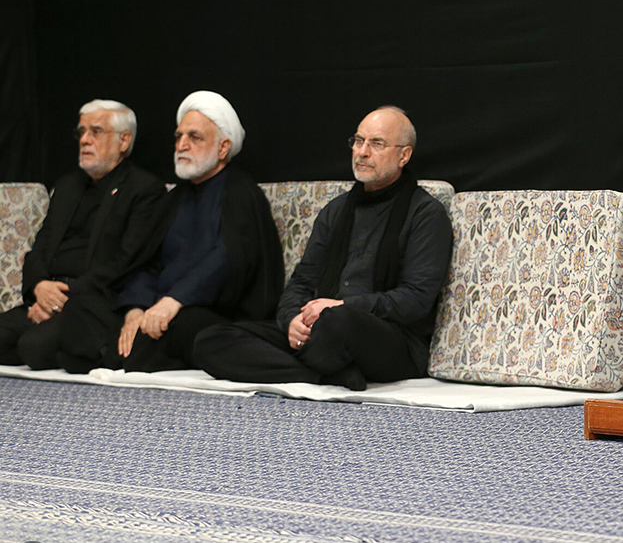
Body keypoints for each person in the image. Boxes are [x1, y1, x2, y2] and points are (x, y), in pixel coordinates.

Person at [193, 106, 453, 390]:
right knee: (210, 340)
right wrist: (292, 321)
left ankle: (308, 362)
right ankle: (324, 374)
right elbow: (302, 281)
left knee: (339, 323)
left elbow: (415, 299)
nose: (362, 152)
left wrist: (342, 306)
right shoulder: (336, 210)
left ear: (404, 155)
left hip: (386, 337)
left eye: (377, 143)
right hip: (320, 330)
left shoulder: (425, 214)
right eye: (358, 141)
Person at [103, 90, 283, 372]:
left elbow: (228, 260)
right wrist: (135, 309)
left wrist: (175, 300)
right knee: (104, 321)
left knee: (183, 330)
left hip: (220, 315)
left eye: (194, 137)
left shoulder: (240, 193)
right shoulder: (173, 199)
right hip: (162, 310)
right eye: (179, 137)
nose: (182, 145)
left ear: (223, 148)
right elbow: (147, 263)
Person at [0, 100, 164, 369]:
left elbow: (127, 262)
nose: (85, 140)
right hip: (46, 295)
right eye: (82, 132)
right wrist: (39, 287)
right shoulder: (68, 186)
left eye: (96, 131)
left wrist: (62, 297)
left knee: (33, 347)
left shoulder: (144, 189)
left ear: (124, 141)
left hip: (92, 303)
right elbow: (40, 246)